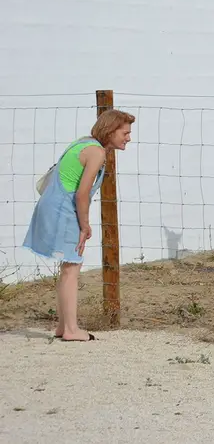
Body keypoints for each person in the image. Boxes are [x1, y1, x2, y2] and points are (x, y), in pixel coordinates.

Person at [23, 108, 135, 342]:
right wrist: (85, 226)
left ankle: (63, 326)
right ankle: (71, 330)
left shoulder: (83, 143)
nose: (129, 137)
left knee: (68, 267)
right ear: (110, 130)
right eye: (125, 132)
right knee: (72, 268)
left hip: (52, 204)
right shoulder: (96, 152)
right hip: (62, 209)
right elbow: (82, 194)